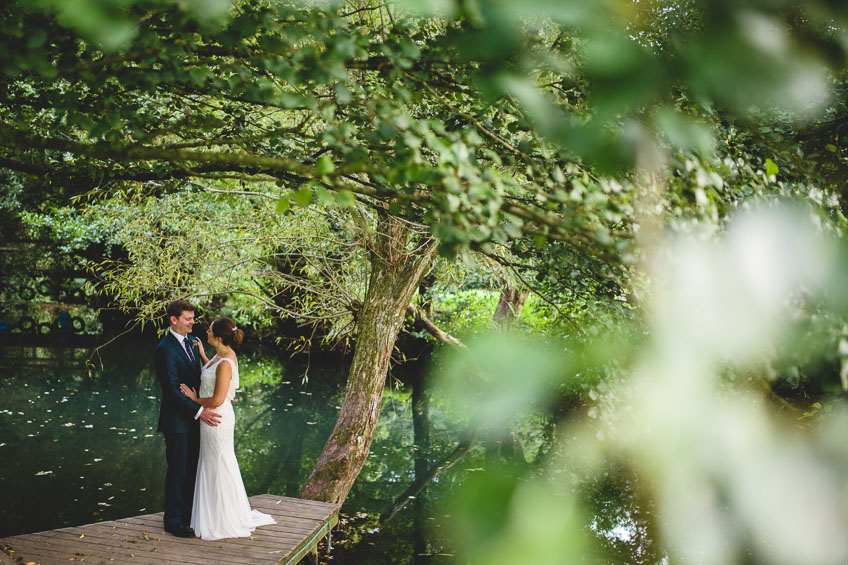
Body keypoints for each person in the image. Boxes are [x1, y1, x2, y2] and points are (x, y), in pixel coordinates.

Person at [180, 317, 276, 540]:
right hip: (212, 419)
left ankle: (221, 518)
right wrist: (204, 355)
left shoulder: (225, 363)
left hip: (216, 419)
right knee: (213, 463)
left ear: (219, 337)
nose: (206, 331)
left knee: (218, 463)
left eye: (210, 330)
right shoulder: (220, 355)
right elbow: (210, 371)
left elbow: (216, 399)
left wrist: (194, 399)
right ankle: (214, 513)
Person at [154, 300, 222, 538]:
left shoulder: (193, 343)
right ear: (174, 320)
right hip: (177, 422)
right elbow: (171, 390)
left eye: (193, 317)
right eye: (188, 318)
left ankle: (188, 516)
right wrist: (199, 410)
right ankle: (173, 521)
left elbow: (202, 376)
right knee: (178, 470)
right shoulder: (165, 349)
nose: (193, 321)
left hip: (195, 420)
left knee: (193, 468)